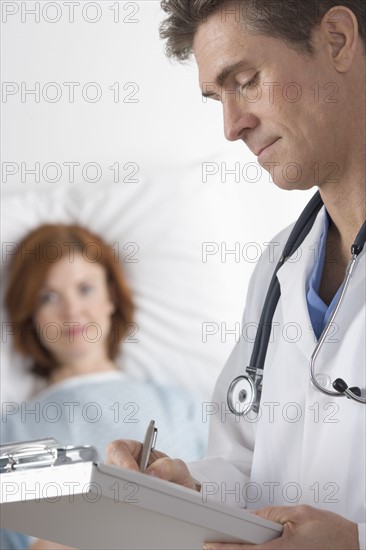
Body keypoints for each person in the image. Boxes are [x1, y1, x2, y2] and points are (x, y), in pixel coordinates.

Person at [106, 1, 366, 549]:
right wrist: (185, 488)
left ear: (338, 40)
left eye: (246, 81)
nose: (231, 125)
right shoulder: (279, 269)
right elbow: (249, 465)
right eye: (216, 99)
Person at [1, 223, 207, 550]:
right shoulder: (13, 431)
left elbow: (225, 518)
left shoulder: (183, 407)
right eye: (48, 296)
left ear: (111, 296)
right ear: (30, 313)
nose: (71, 311)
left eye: (85, 289)